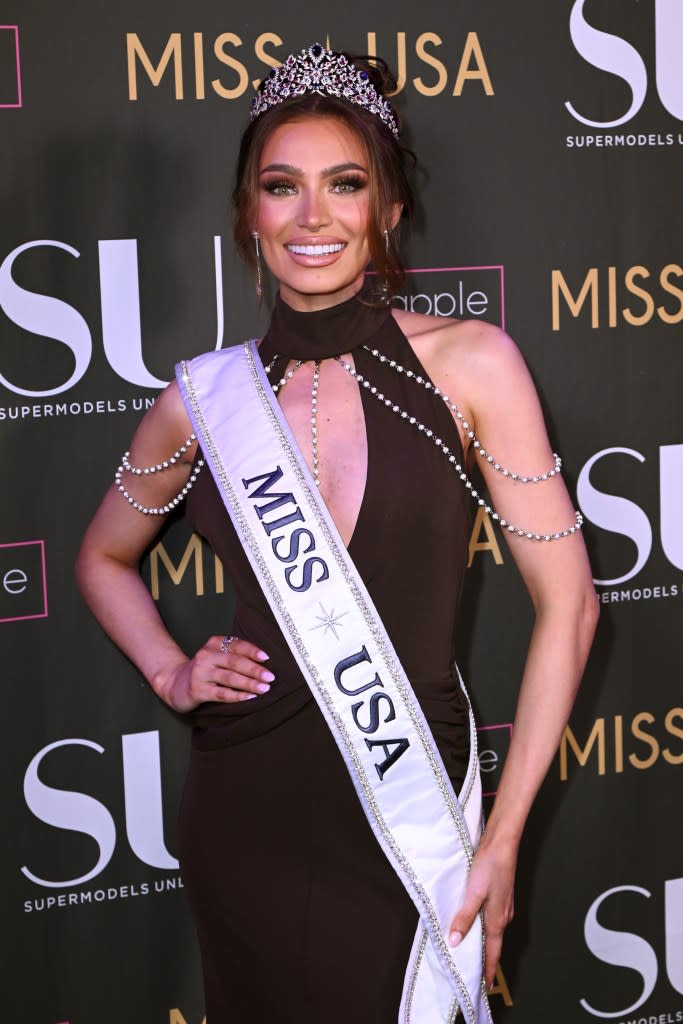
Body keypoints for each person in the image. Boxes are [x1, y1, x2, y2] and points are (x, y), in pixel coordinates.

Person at [75, 44, 598, 1024]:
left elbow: (567, 608)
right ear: (249, 213)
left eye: (343, 184)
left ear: (388, 208)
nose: (311, 216)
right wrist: (170, 672)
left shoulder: (471, 364)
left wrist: (501, 840)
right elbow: (100, 558)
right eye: (282, 187)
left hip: (411, 820)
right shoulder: (201, 401)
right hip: (245, 815)